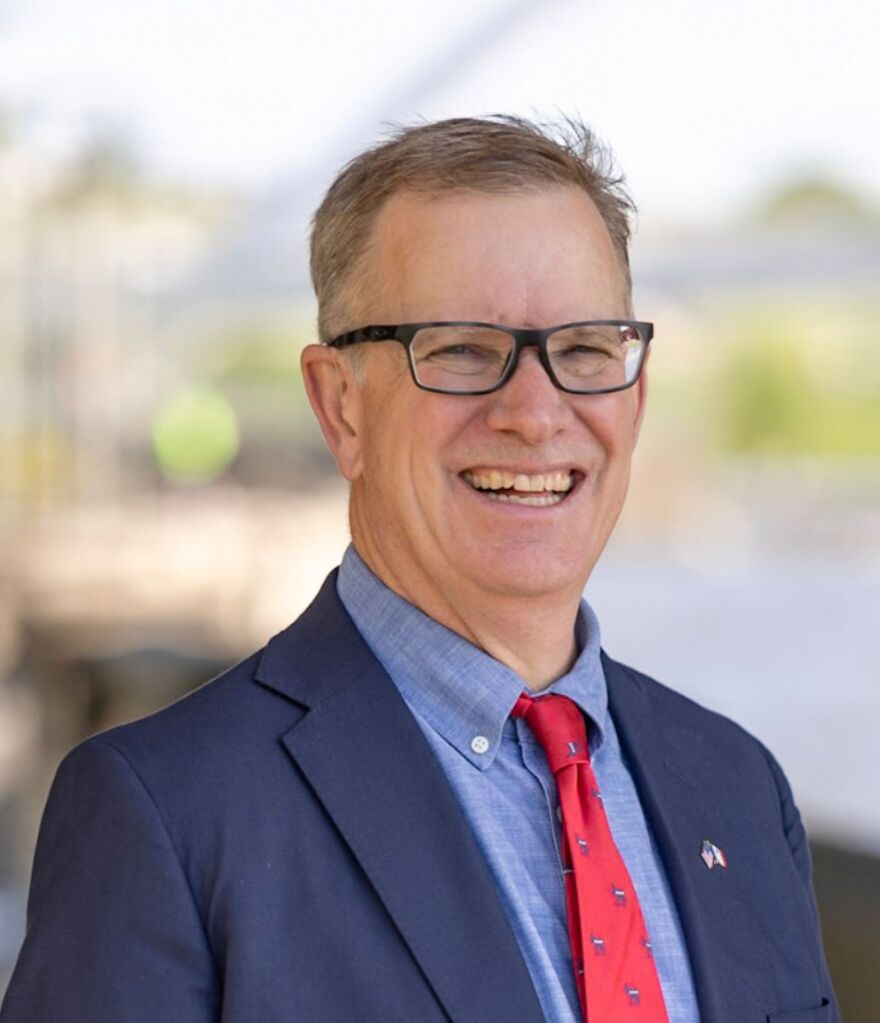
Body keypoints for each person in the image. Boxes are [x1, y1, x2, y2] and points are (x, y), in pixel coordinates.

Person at [1, 116, 838, 1023]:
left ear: (633, 399)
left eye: (585, 350)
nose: (535, 413)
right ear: (340, 407)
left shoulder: (740, 788)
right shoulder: (167, 814)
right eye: (462, 350)